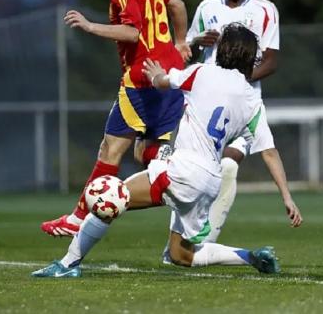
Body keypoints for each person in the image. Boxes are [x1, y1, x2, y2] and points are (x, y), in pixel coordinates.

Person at [31, 23, 302, 278]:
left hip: (183, 170)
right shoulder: (253, 102)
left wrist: (154, 74)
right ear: (249, 59)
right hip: (208, 183)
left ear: (223, 50)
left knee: (113, 197)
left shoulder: (202, 73)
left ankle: (67, 264)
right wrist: (287, 198)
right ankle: (251, 257)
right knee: (180, 255)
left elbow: (164, 82)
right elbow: (269, 151)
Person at [41, 0, 191, 237]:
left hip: (141, 80)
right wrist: (180, 42)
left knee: (110, 149)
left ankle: (77, 218)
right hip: (170, 77)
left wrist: (89, 25)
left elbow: (132, 33)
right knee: (147, 152)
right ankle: (182, 187)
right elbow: (177, 4)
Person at [185, 0, 282, 243]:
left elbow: (272, 60)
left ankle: (204, 242)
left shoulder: (265, 10)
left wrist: (239, 80)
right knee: (194, 172)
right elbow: (187, 51)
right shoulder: (206, 7)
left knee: (226, 166)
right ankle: (182, 237)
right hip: (204, 101)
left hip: (242, 103)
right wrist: (197, 40)